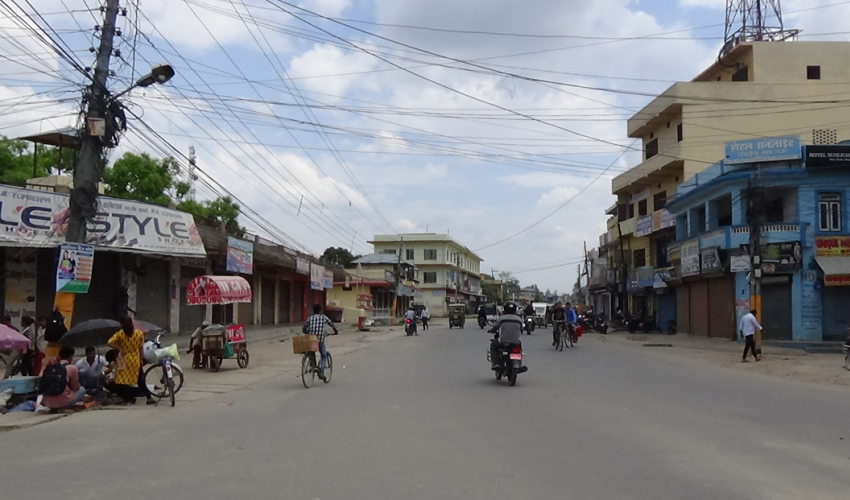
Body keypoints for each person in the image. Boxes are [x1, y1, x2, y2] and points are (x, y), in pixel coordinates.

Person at [107, 316, 155, 405]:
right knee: (140, 380)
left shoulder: (120, 334)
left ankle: (129, 399)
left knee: (123, 381)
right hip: (135, 359)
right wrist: (141, 359)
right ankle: (149, 398)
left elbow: (109, 342)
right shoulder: (139, 333)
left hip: (125, 360)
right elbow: (141, 348)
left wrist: (119, 348)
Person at [41, 346, 86, 412]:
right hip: (63, 400)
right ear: (71, 357)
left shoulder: (51, 367)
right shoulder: (72, 368)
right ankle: (63, 407)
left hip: (47, 402)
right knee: (82, 390)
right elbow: (75, 387)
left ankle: (53, 407)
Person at [302, 304, 338, 382]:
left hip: (311, 340)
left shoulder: (309, 318)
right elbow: (331, 324)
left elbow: (304, 329)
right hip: (319, 340)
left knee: (312, 351)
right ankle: (321, 372)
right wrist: (335, 331)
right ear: (320, 310)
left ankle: (313, 365)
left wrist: (308, 332)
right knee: (324, 355)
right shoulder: (323, 317)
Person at [489, 301, 523, 370]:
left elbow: (495, 327)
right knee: (519, 348)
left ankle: (496, 363)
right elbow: (521, 329)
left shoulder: (501, 318)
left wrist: (491, 330)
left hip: (503, 341)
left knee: (493, 345)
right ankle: (519, 363)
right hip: (516, 341)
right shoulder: (519, 319)